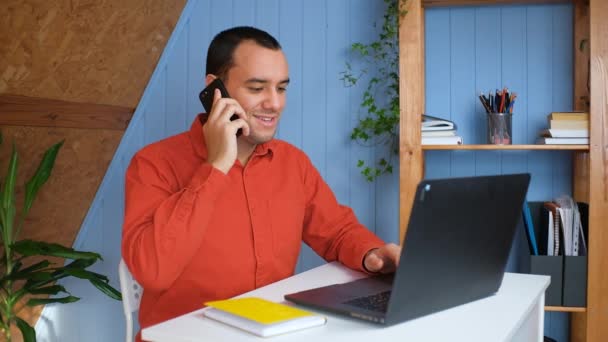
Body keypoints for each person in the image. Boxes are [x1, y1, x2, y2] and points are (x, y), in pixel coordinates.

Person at [122, 26, 401, 340]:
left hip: (272, 333)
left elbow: (337, 231)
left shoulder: (292, 163)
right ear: (216, 89)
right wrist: (215, 167)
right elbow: (154, 271)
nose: (275, 103)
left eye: (281, 88)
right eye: (257, 88)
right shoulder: (153, 164)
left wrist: (372, 254)